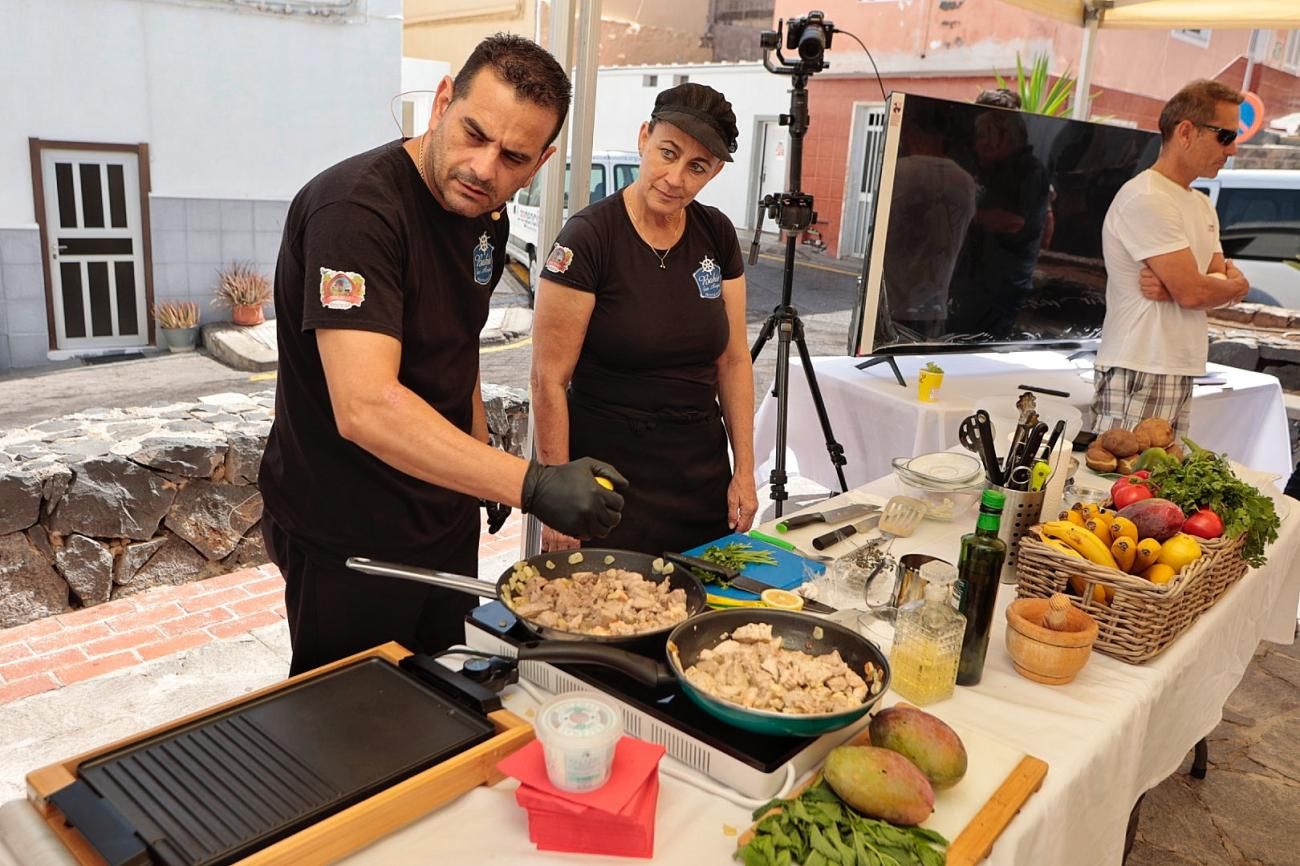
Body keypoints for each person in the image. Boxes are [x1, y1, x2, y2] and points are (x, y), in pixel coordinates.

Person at [258, 34, 626, 676]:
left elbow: (458, 347)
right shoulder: (356, 211)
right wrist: (529, 483)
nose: (484, 168)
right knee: (354, 720)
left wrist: (478, 462)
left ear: (538, 164)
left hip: (439, 512)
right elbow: (365, 405)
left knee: (440, 687)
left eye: (512, 156)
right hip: (347, 529)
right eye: (474, 133)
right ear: (441, 103)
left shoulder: (488, 217)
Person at [529, 83, 758, 555]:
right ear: (643, 138)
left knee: (697, 620)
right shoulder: (589, 238)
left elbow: (734, 361)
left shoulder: (716, 234)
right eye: (667, 153)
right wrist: (557, 496)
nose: (675, 178)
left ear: (713, 173)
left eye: (697, 167)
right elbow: (547, 379)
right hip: (608, 484)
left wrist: (745, 472)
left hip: (698, 476)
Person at [1091, 79, 1250, 437]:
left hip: (1175, 364)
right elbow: (1196, 293)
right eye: (1225, 136)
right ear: (1186, 132)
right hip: (1141, 363)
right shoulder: (1148, 197)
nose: (1233, 149)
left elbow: (1206, 284)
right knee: (1120, 487)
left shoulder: (1200, 203)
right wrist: (1219, 287)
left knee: (1160, 489)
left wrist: (1223, 286)